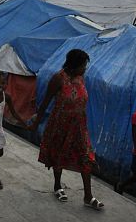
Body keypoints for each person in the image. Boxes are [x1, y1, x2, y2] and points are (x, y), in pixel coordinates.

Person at [31, 49, 103, 210]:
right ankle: (57, 186)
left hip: (79, 127)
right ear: (74, 65)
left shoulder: (81, 78)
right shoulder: (58, 79)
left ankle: (88, 196)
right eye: (83, 65)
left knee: (86, 158)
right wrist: (36, 123)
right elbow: (45, 102)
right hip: (60, 125)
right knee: (58, 155)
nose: (85, 69)